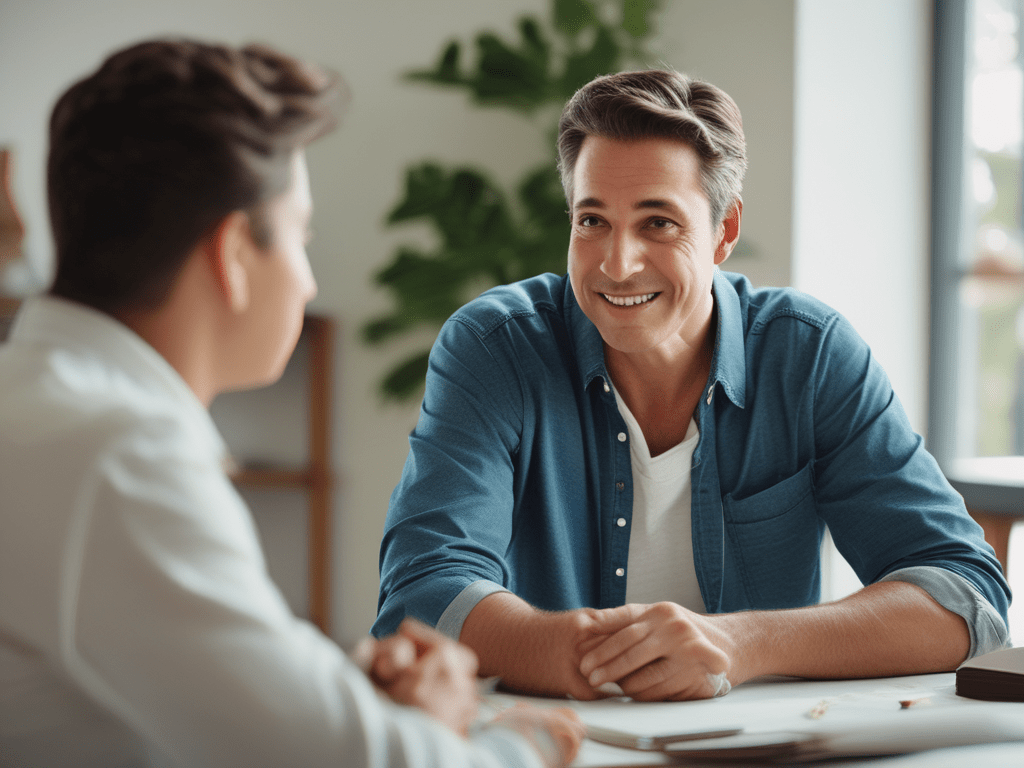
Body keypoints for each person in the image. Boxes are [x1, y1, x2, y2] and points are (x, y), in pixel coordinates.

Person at [0, 38, 583, 768]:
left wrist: (340, 697)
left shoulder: (36, 406)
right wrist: (504, 740)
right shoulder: (117, 456)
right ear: (235, 255)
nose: (307, 282)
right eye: (300, 237)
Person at [374, 69, 1012, 702]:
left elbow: (964, 592)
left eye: (658, 223)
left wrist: (739, 645)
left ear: (724, 232)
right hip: (556, 745)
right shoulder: (496, 349)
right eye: (592, 221)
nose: (617, 264)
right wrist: (588, 653)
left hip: (758, 750)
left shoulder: (808, 356)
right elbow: (424, 590)